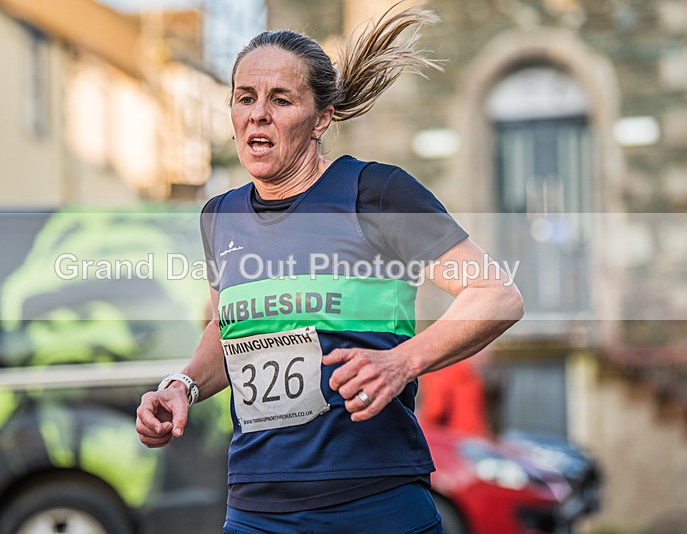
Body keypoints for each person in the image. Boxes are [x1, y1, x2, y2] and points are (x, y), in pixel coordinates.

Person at [136, 3, 524, 532]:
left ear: (322, 117)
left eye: (280, 99)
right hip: (255, 508)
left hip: (373, 502)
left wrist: (402, 363)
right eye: (245, 98)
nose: (258, 114)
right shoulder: (219, 217)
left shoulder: (376, 193)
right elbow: (227, 332)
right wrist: (181, 385)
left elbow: (496, 295)